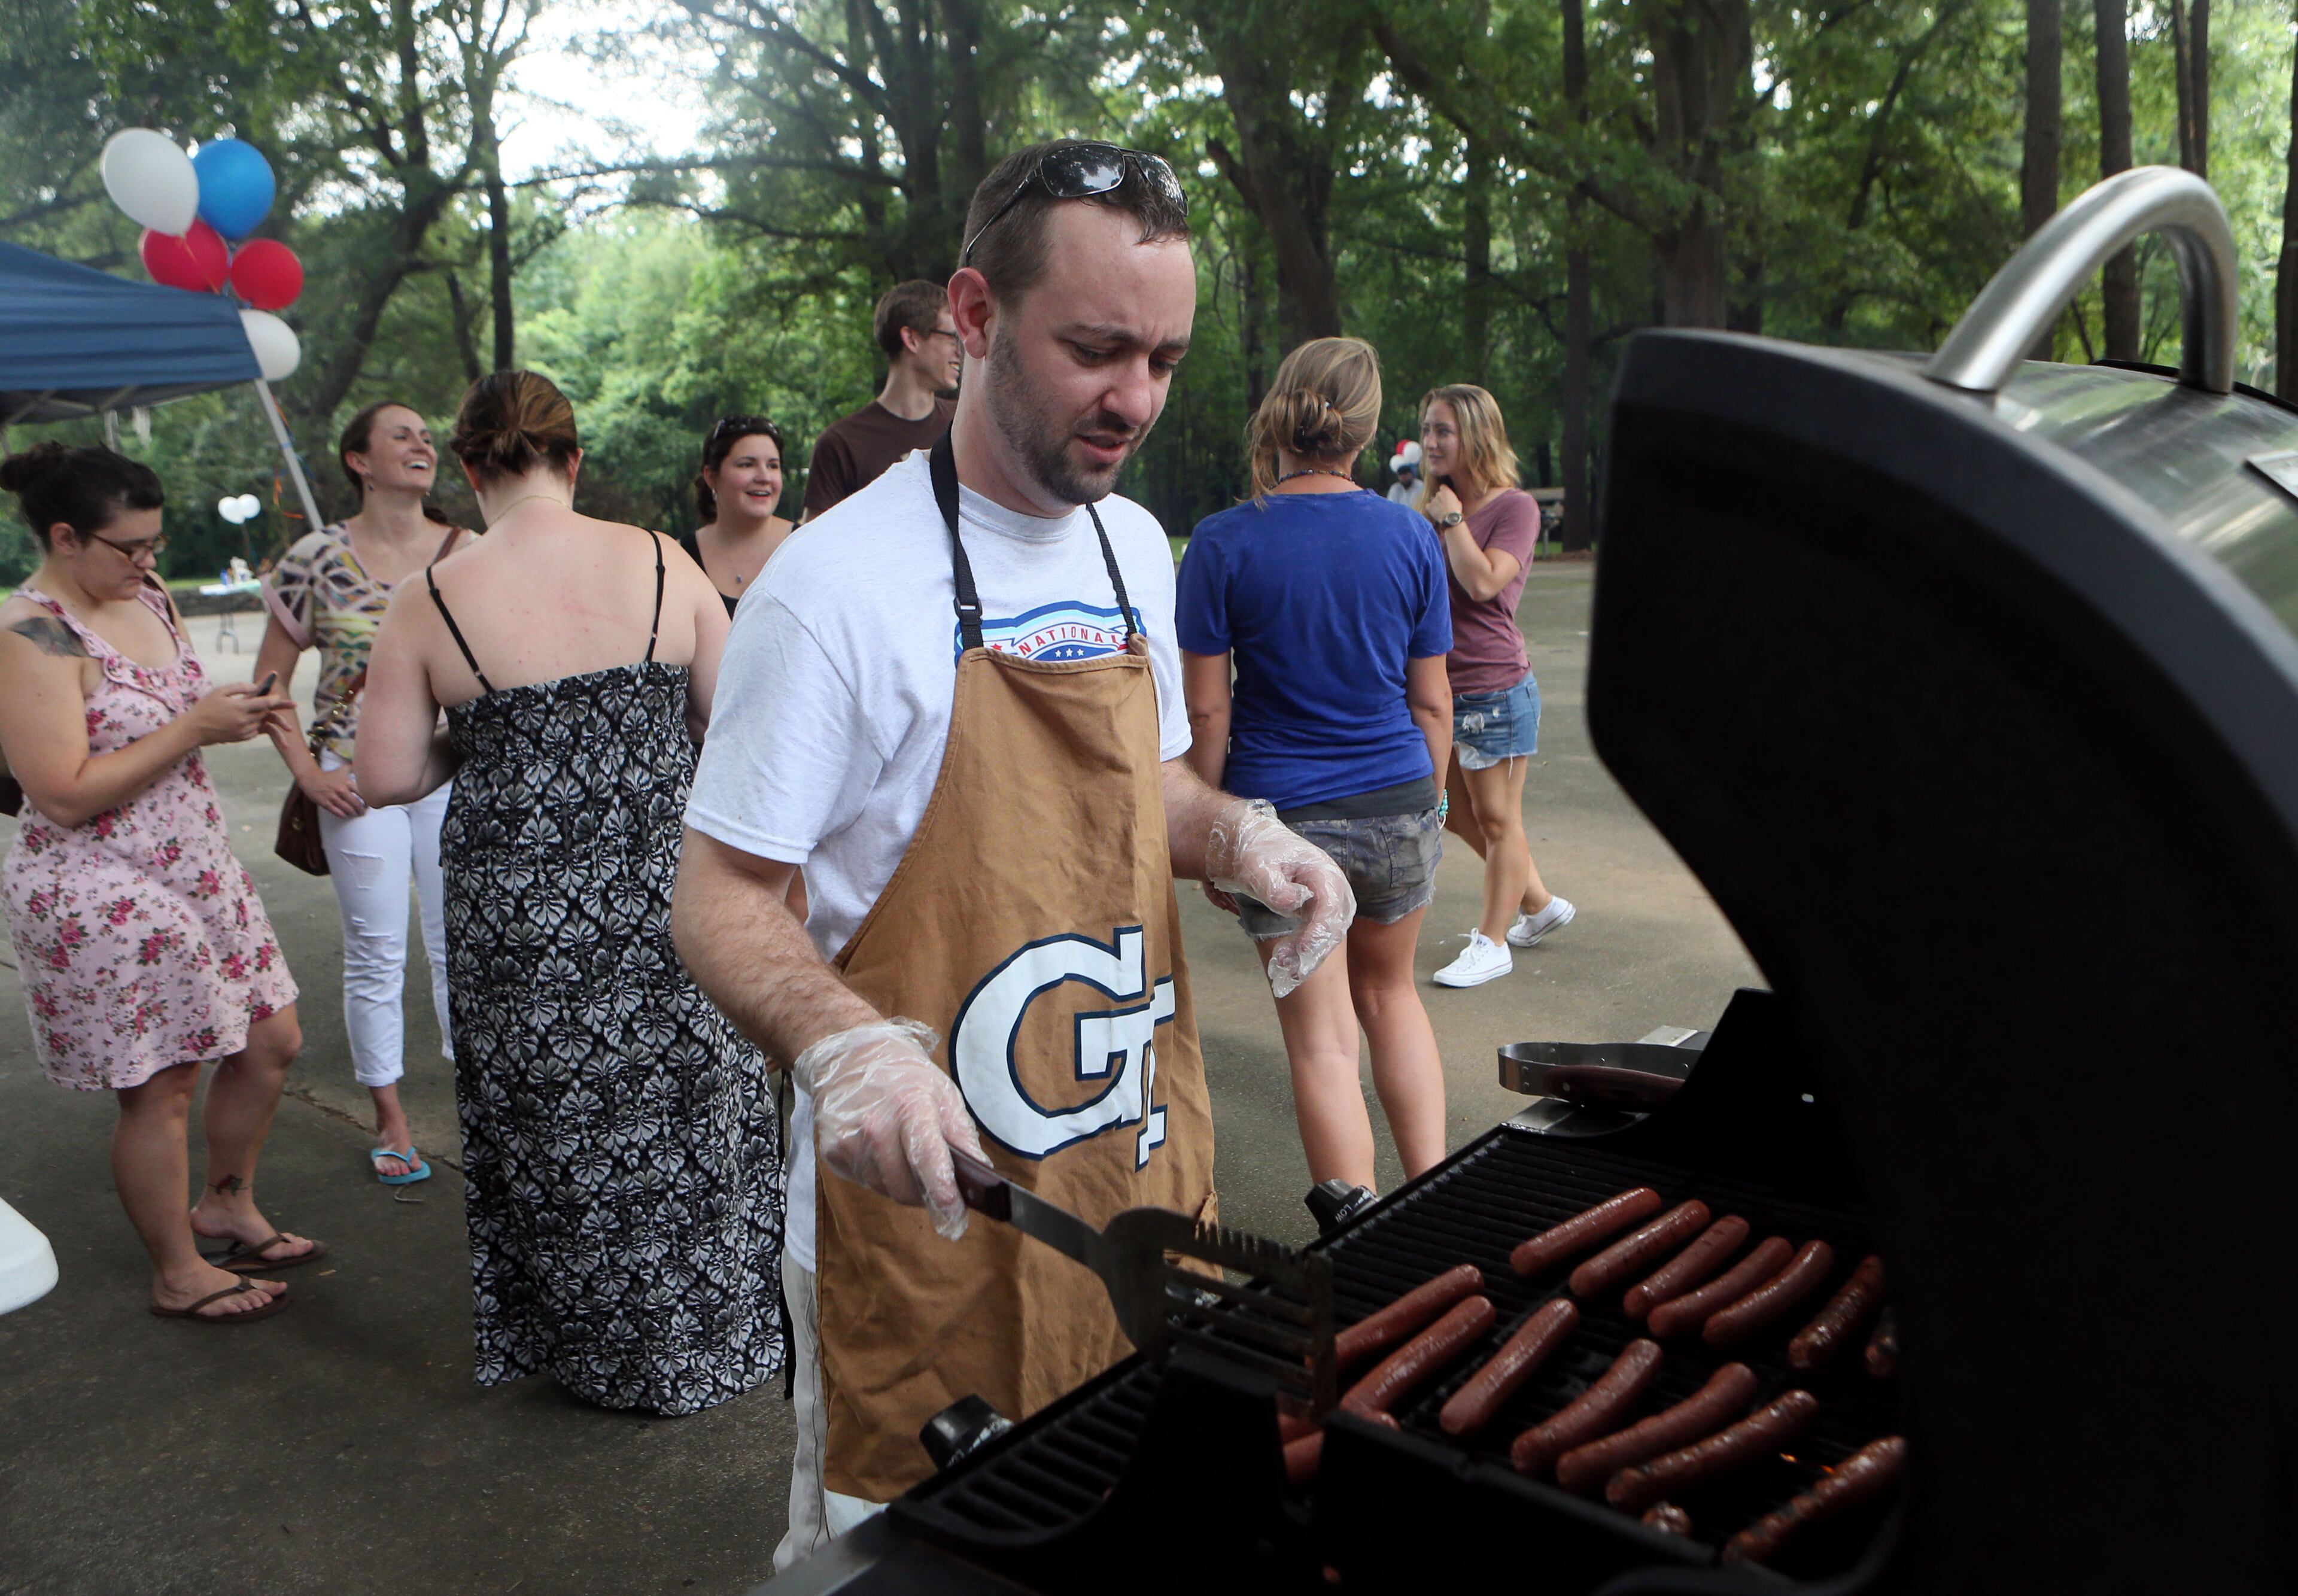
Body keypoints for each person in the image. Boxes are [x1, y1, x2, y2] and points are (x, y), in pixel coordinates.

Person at [671, 138, 1354, 1565]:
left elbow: (1142, 785)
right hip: (925, 1212)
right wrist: (845, 1051)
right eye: (1097, 350)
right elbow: (717, 900)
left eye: (1163, 358)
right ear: (972, 318)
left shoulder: (1133, 549)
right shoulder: (829, 590)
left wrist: (1237, 831)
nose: (1136, 401)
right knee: (918, 1559)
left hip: (1134, 1170)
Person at [358, 370, 783, 1415]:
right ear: (575, 457)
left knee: (556, 1121)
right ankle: (721, 1329)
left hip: (519, 910)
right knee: (695, 1096)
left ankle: (601, 1350)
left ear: (468, 468)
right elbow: (729, 724)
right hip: (664, 885)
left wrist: (488, 734)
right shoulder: (659, 560)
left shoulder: (428, 601)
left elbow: (385, 776)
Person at [0, 443, 312, 1323]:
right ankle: (179, 1268)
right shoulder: (32, 631)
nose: (147, 563)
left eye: (154, 544)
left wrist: (231, 714)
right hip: (98, 881)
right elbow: (59, 792)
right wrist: (194, 730)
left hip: (195, 861)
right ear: (65, 537)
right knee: (166, 1078)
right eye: (127, 547)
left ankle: (226, 1200)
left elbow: (166, 713)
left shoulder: (150, 595)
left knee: (271, 1039)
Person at [1177, 337, 1451, 1188]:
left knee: (1324, 1039)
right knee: (1393, 999)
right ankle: (1439, 1194)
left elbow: (1206, 708)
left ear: (1282, 414)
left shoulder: (1223, 543)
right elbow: (1435, 701)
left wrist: (1216, 824)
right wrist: (1431, 807)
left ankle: (1360, 1235)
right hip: (1399, 797)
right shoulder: (1410, 534)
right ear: (1367, 432)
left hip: (1284, 820)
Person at [256, 402, 469, 1184]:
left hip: (454, 773)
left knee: (461, 943)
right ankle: (391, 1118)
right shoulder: (315, 558)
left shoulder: (467, 551)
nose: (422, 445)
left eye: (427, 435)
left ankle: (478, 1101)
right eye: (401, 435)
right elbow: (268, 687)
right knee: (377, 948)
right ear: (358, 460)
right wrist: (308, 774)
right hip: (354, 783)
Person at [1420, 384, 1576, 989]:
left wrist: (1453, 520)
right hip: (1445, 688)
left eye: (1444, 431)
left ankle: (1492, 942)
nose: (1431, 442)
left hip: (1495, 688)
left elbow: (1485, 583)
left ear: (1476, 436)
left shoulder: (1515, 509)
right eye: (1428, 429)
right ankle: (1536, 903)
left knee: (1498, 819)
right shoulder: (1433, 505)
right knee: (1456, 813)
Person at [799, 280, 961, 518]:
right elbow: (816, 547)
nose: (961, 349)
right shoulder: (841, 445)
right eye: (952, 337)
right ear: (912, 339)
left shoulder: (965, 425)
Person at [682, 415, 797, 616]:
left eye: (773, 465)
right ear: (711, 476)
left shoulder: (805, 547)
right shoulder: (680, 558)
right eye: (747, 464)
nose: (764, 477)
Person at [1387, 439, 1426, 513]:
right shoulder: (1395, 489)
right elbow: (1391, 509)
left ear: (1412, 473)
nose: (1403, 476)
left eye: (1406, 473)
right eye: (1401, 474)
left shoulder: (1421, 487)